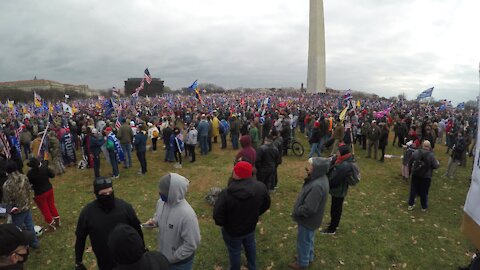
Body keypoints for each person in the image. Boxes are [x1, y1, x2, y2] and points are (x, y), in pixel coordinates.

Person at [75, 177, 143, 270]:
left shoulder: (125, 207)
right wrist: (78, 261)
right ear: (96, 194)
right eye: (103, 194)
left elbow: (137, 230)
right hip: (104, 260)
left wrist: (143, 249)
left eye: (110, 192)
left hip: (128, 260)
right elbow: (80, 237)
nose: (108, 196)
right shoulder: (88, 212)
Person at [213, 161, 271, 270]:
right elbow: (266, 204)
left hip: (232, 231)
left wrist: (225, 224)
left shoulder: (226, 194)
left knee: (234, 251)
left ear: (236, 174)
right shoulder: (261, 187)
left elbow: (217, 215)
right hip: (250, 227)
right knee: (250, 245)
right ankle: (252, 266)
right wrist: (256, 214)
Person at [144, 173, 201, 270]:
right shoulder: (161, 202)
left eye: (163, 192)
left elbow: (191, 244)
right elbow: (158, 216)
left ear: (173, 193)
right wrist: (154, 222)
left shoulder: (187, 216)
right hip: (164, 257)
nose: (160, 193)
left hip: (180, 263)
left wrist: (172, 257)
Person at [288, 157, 330, 269]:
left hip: (308, 220)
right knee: (309, 239)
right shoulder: (321, 178)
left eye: (312, 166)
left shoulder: (317, 185)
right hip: (313, 220)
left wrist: (297, 211)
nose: (309, 168)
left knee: (303, 241)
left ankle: (302, 263)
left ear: (318, 169)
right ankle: (308, 257)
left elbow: (309, 208)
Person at [1, 162, 39, 249]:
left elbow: (6, 201)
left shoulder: (7, 185)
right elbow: (29, 189)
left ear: (7, 171)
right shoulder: (24, 177)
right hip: (26, 206)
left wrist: (2, 212)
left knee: (17, 230)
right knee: (30, 226)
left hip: (17, 212)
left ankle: (23, 247)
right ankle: (35, 243)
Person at [323, 144, 358, 235]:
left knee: (336, 209)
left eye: (338, 151)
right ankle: (334, 223)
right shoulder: (342, 160)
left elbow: (336, 179)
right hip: (338, 190)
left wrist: (327, 184)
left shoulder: (345, 165)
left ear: (343, 153)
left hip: (339, 191)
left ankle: (332, 229)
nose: (337, 152)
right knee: (335, 208)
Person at [26, 158, 60, 232]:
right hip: (49, 189)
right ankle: (57, 220)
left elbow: (28, 183)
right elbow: (52, 175)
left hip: (39, 194)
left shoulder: (30, 174)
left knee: (45, 210)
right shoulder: (44, 168)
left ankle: (51, 226)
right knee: (51, 205)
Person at [407, 140, 440, 212]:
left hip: (416, 174)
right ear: (429, 147)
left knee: (413, 190)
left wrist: (411, 170)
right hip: (426, 176)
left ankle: (410, 204)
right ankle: (423, 207)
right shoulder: (431, 155)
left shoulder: (416, 152)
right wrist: (437, 162)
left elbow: (410, 161)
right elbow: (436, 166)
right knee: (424, 192)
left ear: (422, 145)